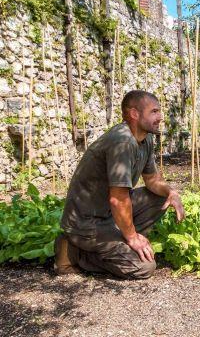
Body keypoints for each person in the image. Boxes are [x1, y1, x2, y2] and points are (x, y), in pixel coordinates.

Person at [54, 90, 186, 279]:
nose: (160, 117)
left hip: (109, 214)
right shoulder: (122, 142)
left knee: (161, 198)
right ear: (134, 114)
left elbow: (152, 180)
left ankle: (118, 240)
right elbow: (118, 199)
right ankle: (73, 251)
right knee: (144, 267)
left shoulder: (145, 138)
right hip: (87, 222)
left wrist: (171, 192)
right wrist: (132, 237)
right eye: (154, 112)